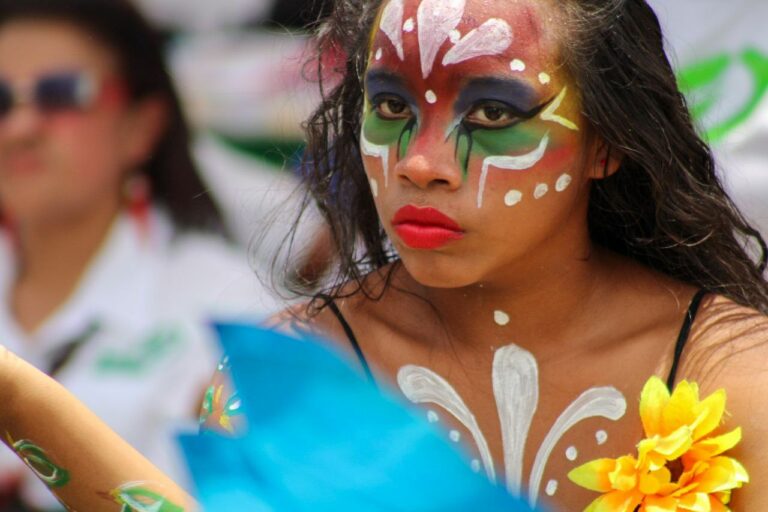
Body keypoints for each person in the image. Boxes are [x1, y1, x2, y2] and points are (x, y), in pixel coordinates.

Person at [0, 0, 767, 510]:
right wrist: (24, 400)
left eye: (491, 112)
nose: (420, 164)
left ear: (606, 143)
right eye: (392, 107)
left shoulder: (732, 373)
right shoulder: (289, 368)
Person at [0, 0, 276, 509]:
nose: (20, 127)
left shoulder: (232, 311)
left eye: (61, 93)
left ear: (142, 126)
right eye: (1, 101)